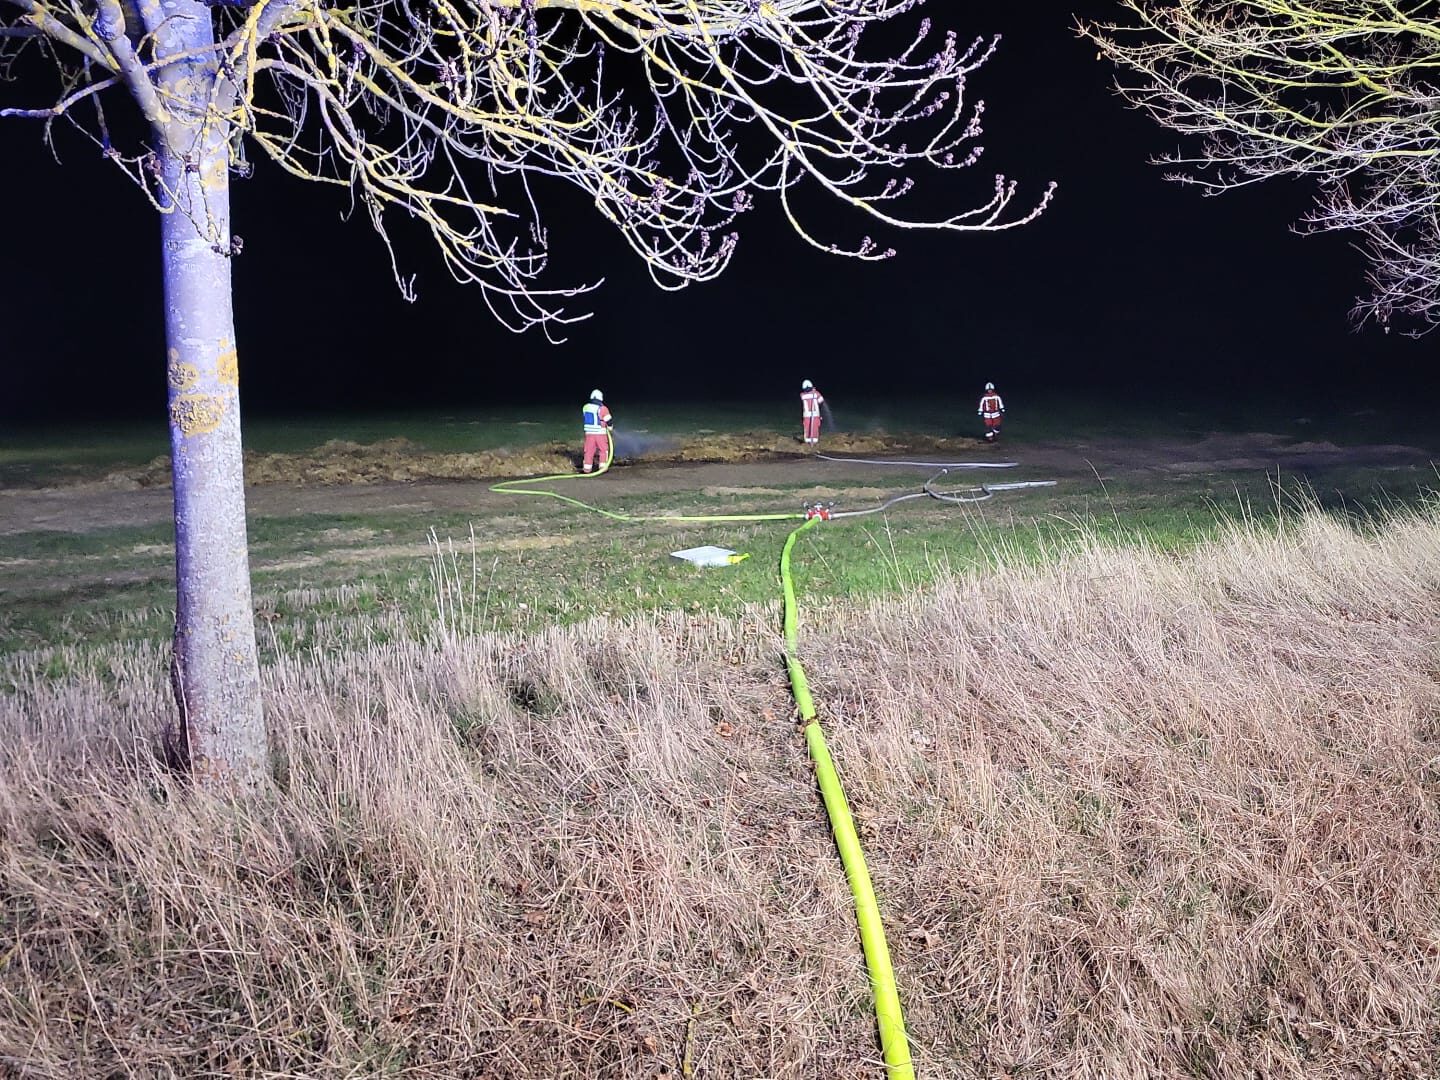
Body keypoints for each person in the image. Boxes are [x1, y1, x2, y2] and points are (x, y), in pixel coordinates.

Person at [581, 389, 613, 473]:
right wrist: (610, 427)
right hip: (600, 433)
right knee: (603, 450)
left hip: (589, 434)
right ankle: (603, 467)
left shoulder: (585, 407)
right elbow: (608, 420)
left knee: (589, 451)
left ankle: (587, 469)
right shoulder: (602, 408)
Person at [800, 379, 825, 445]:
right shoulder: (816, 394)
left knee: (807, 428)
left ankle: (807, 442)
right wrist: (815, 391)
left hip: (806, 415)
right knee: (815, 428)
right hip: (815, 414)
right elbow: (821, 401)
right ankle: (814, 442)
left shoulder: (802, 395)